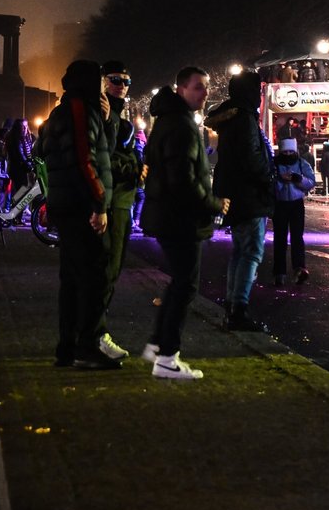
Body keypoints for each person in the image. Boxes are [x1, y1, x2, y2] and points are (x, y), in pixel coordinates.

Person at [140, 68, 216, 380]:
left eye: (206, 88)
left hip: (168, 215)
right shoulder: (181, 126)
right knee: (186, 285)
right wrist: (212, 203)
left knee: (179, 282)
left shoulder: (170, 120)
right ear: (181, 89)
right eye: (199, 88)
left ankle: (158, 346)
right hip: (179, 218)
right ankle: (167, 357)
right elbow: (183, 179)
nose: (205, 94)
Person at [40, 60, 117, 368]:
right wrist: (99, 205)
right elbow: (87, 160)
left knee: (72, 279)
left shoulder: (61, 112)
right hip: (81, 207)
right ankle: (87, 344)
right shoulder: (79, 111)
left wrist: (108, 120)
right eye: (100, 81)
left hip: (66, 204)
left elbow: (44, 151)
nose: (104, 87)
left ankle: (67, 346)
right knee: (94, 277)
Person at [206, 72, 273, 330]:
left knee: (240, 251)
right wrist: (268, 179)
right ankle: (238, 310)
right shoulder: (245, 119)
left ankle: (233, 305)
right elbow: (252, 158)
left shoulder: (232, 119)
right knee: (251, 252)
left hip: (236, 192)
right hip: (250, 195)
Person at [91, 62, 140, 362]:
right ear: (102, 81)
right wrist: (134, 167)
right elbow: (103, 156)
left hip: (117, 198)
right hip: (111, 201)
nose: (121, 84)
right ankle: (96, 335)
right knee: (106, 269)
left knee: (110, 269)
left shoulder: (118, 113)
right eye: (115, 80)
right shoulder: (105, 112)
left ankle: (95, 332)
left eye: (126, 80)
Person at [271, 138, 316, 286]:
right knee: (280, 239)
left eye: (291, 151)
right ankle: (279, 272)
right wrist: (280, 180)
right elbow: (269, 186)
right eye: (285, 151)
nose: (288, 154)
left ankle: (299, 269)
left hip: (296, 204)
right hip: (280, 204)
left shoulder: (302, 164)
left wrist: (299, 179)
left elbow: (311, 183)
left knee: (297, 238)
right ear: (280, 151)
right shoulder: (274, 165)